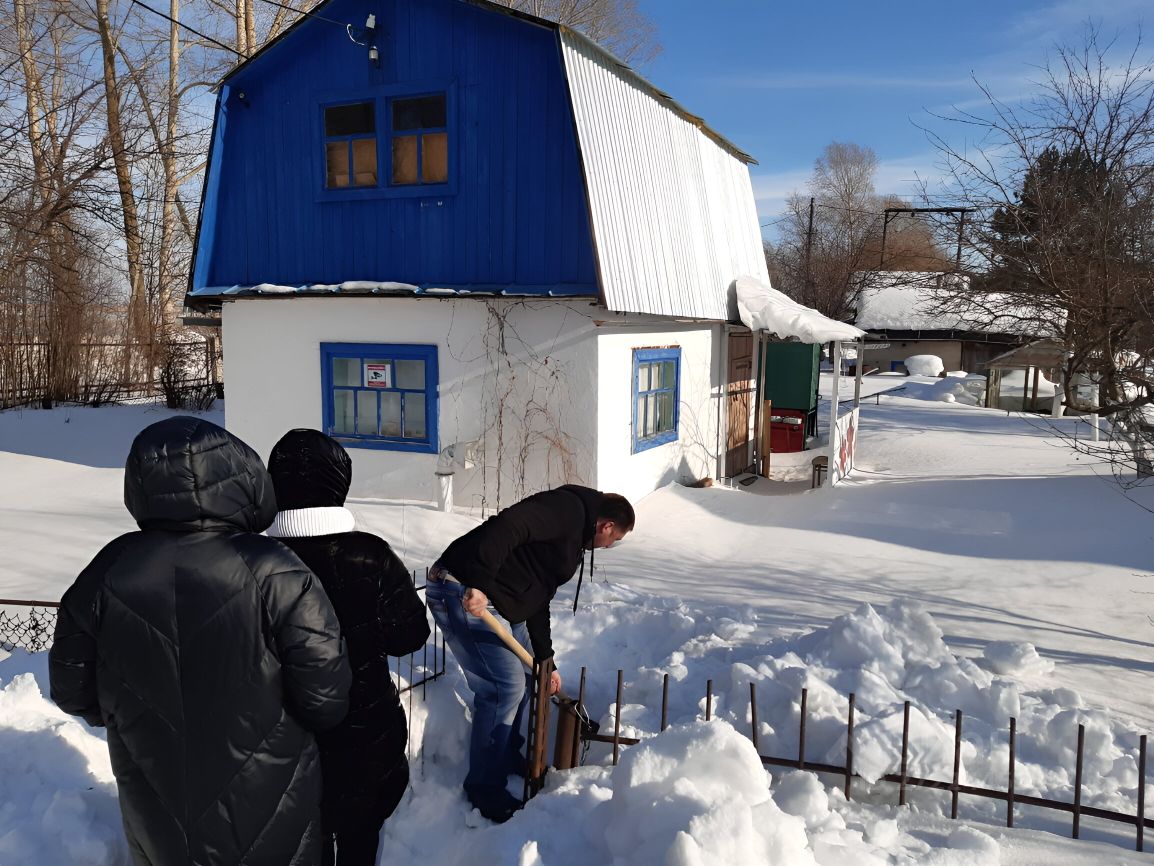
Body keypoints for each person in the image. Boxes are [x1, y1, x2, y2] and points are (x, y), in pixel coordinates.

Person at [49, 416, 352, 866]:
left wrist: (137, 714)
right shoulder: (277, 571)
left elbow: (73, 690)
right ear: (242, 481)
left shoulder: (105, 572)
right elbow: (326, 699)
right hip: (270, 798)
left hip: (157, 799)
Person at [266, 428, 431, 866]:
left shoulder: (253, 560)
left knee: (304, 837)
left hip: (285, 734)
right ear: (340, 482)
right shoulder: (370, 556)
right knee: (360, 838)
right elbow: (410, 636)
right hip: (365, 731)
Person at [428, 484, 634, 823]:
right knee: (503, 687)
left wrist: (545, 658)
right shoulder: (565, 510)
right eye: (613, 541)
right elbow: (507, 526)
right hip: (462, 589)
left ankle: (505, 754)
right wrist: (477, 582)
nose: (608, 546)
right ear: (607, 526)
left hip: (500, 600)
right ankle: (483, 789)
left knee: (529, 676)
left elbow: (537, 596)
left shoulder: (575, 536)